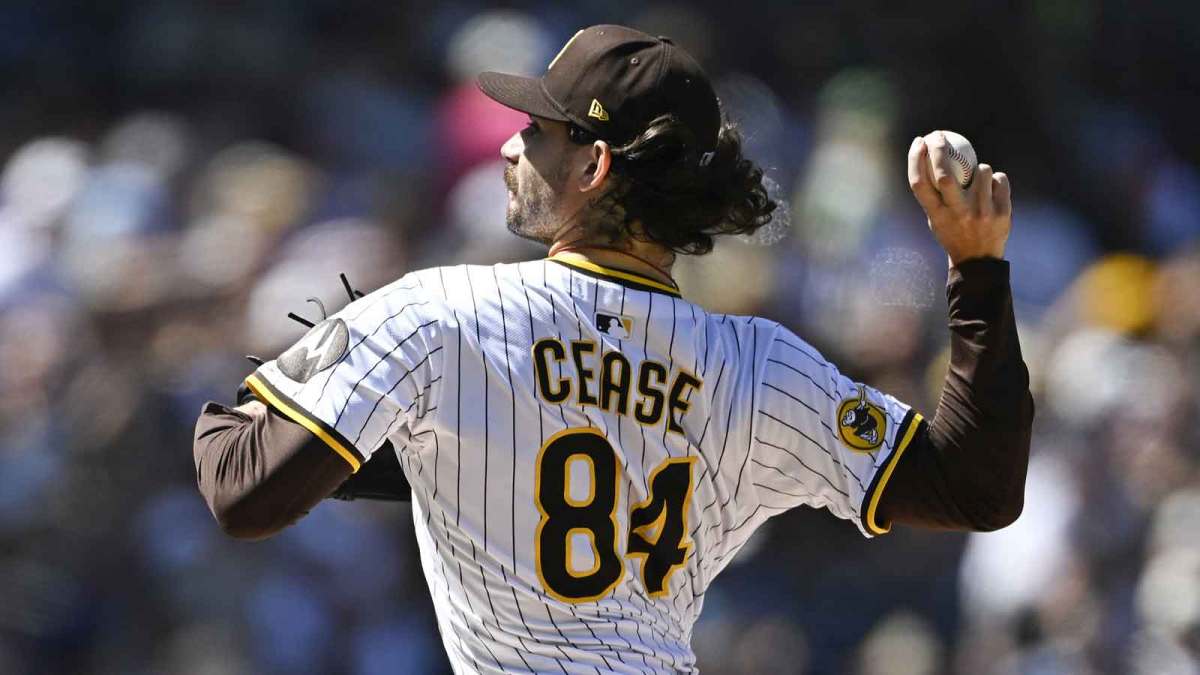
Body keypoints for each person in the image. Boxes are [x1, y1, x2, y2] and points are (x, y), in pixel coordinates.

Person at [193, 24, 1033, 673]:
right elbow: (975, 488)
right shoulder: (758, 366)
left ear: (594, 167)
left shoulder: (440, 312)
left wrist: (243, 403)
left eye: (538, 129)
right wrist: (976, 269)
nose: (511, 145)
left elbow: (243, 491)